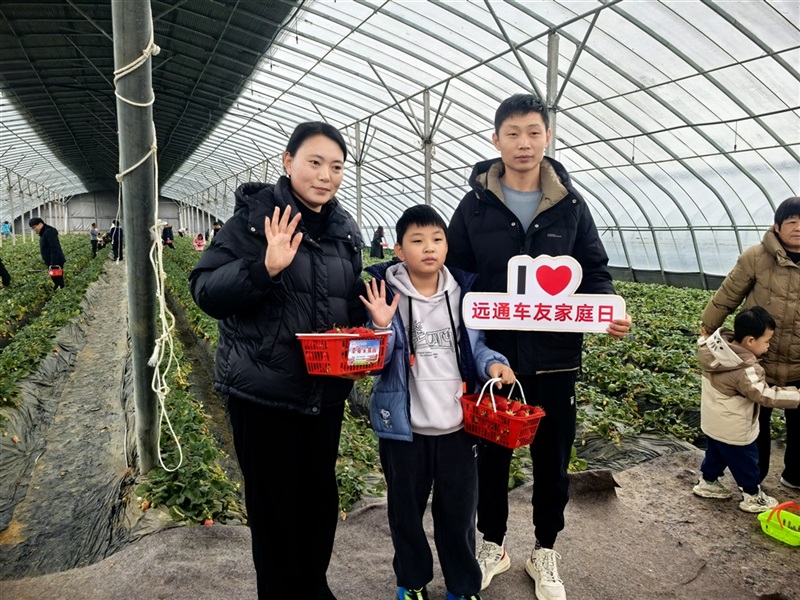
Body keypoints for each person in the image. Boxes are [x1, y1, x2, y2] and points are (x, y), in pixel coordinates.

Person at [445, 93, 632, 600]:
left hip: (554, 361)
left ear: (547, 136)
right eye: (512, 133)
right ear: (496, 140)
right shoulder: (475, 204)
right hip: (495, 360)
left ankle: (544, 549)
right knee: (492, 456)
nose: (523, 143)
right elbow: (456, 276)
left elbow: (593, 270)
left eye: (533, 131)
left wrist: (609, 308)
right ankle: (493, 544)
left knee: (553, 460)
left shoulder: (570, 205)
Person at [189, 121, 367, 600]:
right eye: (315, 162)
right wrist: (264, 268)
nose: (326, 176)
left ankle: (314, 586)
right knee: (273, 507)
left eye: (336, 167)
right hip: (264, 392)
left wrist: (371, 316)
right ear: (288, 162)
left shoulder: (344, 230)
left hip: (324, 392)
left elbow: (346, 298)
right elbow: (205, 291)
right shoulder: (253, 221)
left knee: (319, 501)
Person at [361, 205, 516, 600]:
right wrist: (380, 325)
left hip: (457, 428)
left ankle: (463, 587)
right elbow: (374, 362)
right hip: (404, 429)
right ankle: (412, 584)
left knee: (459, 515)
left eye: (436, 239)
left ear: (447, 246)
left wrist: (495, 365)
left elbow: (477, 348)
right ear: (398, 249)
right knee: (405, 514)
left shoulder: (464, 295)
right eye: (417, 240)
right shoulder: (385, 294)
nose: (428, 248)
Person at [701, 197, 800, 490]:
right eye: (792, 222)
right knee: (756, 421)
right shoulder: (756, 257)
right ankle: (754, 479)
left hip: (798, 359)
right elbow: (729, 293)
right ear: (777, 226)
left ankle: (795, 475)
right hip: (759, 360)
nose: (798, 229)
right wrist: (708, 327)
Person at [694, 307, 799, 512]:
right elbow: (765, 395)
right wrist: (796, 395)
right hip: (734, 426)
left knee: (716, 453)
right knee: (747, 462)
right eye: (767, 341)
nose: (769, 347)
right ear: (750, 341)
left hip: (713, 420)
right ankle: (752, 495)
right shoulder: (746, 369)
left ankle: (707, 482)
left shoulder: (715, 351)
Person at [29, 217, 65, 289]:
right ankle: (59, 287)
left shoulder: (48, 232)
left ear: (40, 224)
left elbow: (54, 248)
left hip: (55, 260)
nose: (34, 229)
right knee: (55, 277)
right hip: (52, 260)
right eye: (32, 228)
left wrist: (53, 263)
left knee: (57, 277)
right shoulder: (44, 232)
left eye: (34, 227)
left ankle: (61, 289)